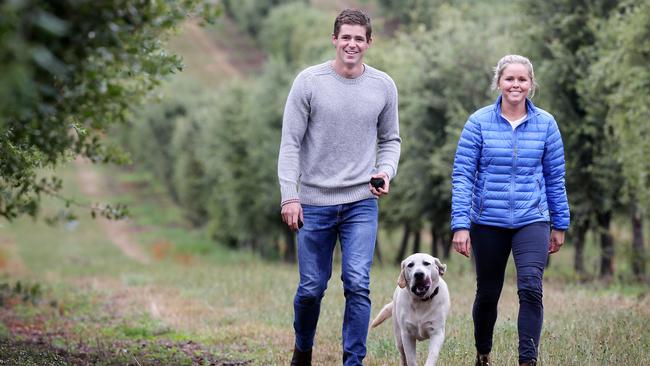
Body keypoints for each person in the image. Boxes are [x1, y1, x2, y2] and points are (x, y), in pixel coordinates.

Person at [277, 8, 401, 366]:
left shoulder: (383, 86)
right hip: (313, 202)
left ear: (369, 43)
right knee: (311, 289)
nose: (352, 44)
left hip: (361, 202)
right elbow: (290, 144)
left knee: (358, 284)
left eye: (359, 38)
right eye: (345, 37)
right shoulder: (309, 82)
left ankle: (353, 361)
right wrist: (290, 195)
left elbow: (391, 139)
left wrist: (385, 170)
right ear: (334, 39)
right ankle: (303, 349)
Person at [450, 54, 570, 366]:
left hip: (533, 218)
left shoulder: (546, 124)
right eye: (509, 79)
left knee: (531, 287)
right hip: (488, 220)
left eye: (522, 79)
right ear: (499, 83)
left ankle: (527, 360)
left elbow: (555, 177)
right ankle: (483, 354)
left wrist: (560, 223)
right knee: (488, 293)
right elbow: (463, 176)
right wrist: (460, 225)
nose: (515, 84)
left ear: (531, 84)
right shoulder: (478, 122)